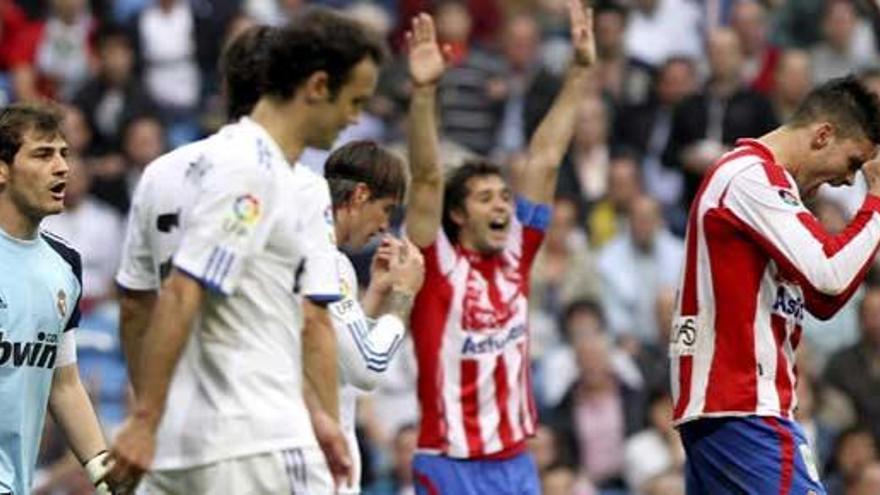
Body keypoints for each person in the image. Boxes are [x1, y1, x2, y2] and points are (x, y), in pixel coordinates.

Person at [107, 9, 385, 493]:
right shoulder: (254, 170)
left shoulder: (187, 169)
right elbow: (183, 289)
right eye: (353, 100)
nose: (355, 118)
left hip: (188, 444)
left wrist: (320, 417)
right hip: (252, 445)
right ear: (317, 87)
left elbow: (146, 305)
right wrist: (144, 419)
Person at [402, 1, 596, 493]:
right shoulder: (437, 264)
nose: (502, 206)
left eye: (505, 197)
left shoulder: (516, 254)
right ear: (458, 214)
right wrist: (424, 94)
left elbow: (546, 157)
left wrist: (578, 73)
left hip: (516, 462)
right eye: (485, 197)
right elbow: (426, 178)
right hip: (450, 461)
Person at [670, 75, 880, 494]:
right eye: (853, 163)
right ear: (823, 135)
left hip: (730, 410)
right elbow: (831, 274)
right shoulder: (750, 177)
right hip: (743, 406)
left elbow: (822, 299)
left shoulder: (762, 186)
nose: (846, 181)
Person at [0, 103, 128, 494]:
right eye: (42, 154)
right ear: (2, 169)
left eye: (64, 154)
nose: (61, 168)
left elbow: (64, 384)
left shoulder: (64, 264)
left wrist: (106, 477)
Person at [310, 140, 425, 494]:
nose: (384, 227)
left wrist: (376, 292)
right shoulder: (324, 260)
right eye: (386, 209)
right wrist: (405, 293)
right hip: (312, 466)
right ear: (360, 196)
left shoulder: (315, 254)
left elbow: (345, 362)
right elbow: (370, 366)